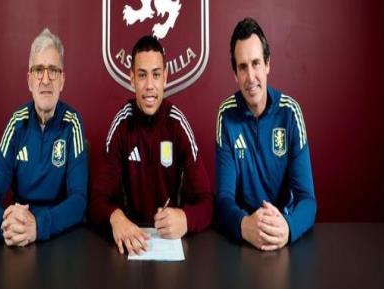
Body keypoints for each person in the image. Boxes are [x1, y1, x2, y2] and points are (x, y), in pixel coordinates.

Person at [89, 35, 213, 255]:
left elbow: (207, 202)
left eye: (156, 75)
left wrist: (186, 218)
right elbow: (96, 200)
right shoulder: (121, 124)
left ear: (165, 77)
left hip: (169, 243)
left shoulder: (177, 124)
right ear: (132, 79)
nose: (149, 86)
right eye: (142, 75)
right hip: (132, 244)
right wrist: (115, 217)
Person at [215, 17, 316, 251]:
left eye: (256, 63)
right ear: (235, 73)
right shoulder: (226, 115)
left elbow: (307, 200)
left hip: (283, 235)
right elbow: (223, 198)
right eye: (243, 67)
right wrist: (243, 225)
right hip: (243, 240)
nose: (251, 77)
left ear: (268, 64)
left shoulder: (290, 113)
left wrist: (288, 227)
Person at [0, 28, 87, 246]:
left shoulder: (73, 123)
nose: (45, 80)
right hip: (18, 236)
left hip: (58, 238)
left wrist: (38, 226)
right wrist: (4, 225)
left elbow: (79, 201)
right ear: (29, 80)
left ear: (62, 80)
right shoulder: (16, 123)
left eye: (53, 71)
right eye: (39, 70)